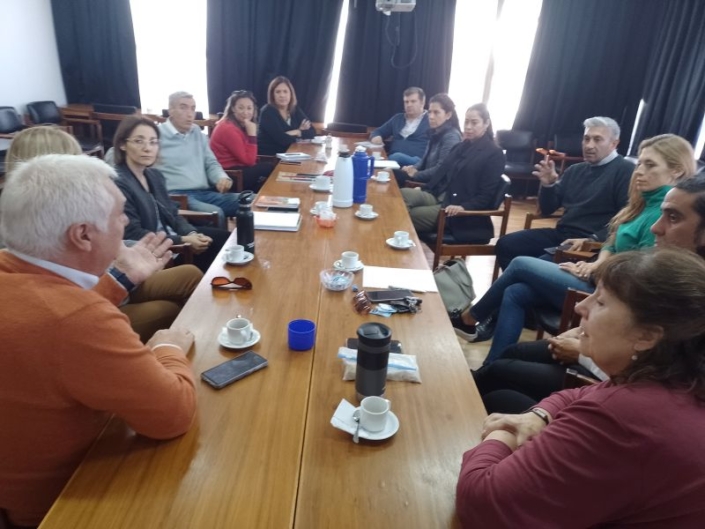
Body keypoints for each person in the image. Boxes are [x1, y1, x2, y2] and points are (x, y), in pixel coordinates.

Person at [0, 155, 197, 527]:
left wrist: (119, 280)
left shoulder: (14, 273)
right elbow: (173, 415)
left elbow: (49, 317)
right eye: (119, 214)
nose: (125, 222)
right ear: (83, 234)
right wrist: (168, 348)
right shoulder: (78, 321)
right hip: (62, 503)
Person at [456, 249, 705, 527]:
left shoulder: (627, 415)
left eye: (601, 302)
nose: (580, 307)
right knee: (500, 396)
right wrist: (539, 415)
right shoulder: (677, 378)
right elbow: (581, 393)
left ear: (647, 335)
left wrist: (502, 431)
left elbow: (480, 503)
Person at [452, 134, 695, 366]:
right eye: (640, 163)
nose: (639, 170)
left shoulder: (663, 213)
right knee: (516, 291)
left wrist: (595, 270)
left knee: (520, 264)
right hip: (597, 274)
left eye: (650, 165)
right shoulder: (642, 201)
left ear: (676, 171)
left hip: (610, 293)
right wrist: (596, 263)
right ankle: (492, 366)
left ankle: (469, 318)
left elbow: (640, 271)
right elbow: (612, 241)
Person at [474, 173, 705, 415]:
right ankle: (473, 377)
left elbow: (650, 383)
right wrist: (584, 330)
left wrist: (583, 353)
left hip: (608, 377)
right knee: (516, 318)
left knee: (500, 386)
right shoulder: (667, 266)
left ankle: (472, 332)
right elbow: (612, 249)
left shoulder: (688, 297)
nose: (656, 227)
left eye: (673, 218)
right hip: (601, 350)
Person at [3, 125, 203, 342]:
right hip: (100, 298)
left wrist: (126, 258)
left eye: (153, 141)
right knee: (167, 309)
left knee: (190, 275)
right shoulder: (42, 227)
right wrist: (121, 275)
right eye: (76, 158)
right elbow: (73, 304)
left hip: (111, 284)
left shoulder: (70, 205)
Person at [495, 116, 634, 270]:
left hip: (591, 243)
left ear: (614, 144)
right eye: (586, 139)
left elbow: (627, 219)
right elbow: (547, 210)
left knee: (534, 265)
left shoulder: (625, 171)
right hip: (562, 235)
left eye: (597, 139)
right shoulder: (575, 170)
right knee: (506, 245)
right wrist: (548, 185)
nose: (589, 145)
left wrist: (593, 239)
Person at [113, 116, 230, 274]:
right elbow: (134, 233)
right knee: (218, 257)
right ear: (122, 144)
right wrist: (183, 240)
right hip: (153, 254)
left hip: (172, 238)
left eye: (153, 142)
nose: (147, 148)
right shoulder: (119, 182)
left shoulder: (154, 175)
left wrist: (191, 233)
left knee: (227, 240)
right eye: (139, 141)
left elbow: (173, 214)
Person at [399, 103, 505, 239]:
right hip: (439, 195)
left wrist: (464, 207)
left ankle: (400, 244)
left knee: (410, 215)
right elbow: (442, 173)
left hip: (456, 208)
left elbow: (486, 196)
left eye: (474, 123)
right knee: (401, 195)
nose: (468, 127)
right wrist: (424, 188)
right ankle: (400, 240)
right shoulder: (460, 146)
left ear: (486, 123)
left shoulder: (494, 153)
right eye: (466, 121)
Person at [156, 91, 238, 228]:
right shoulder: (156, 135)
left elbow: (211, 163)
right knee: (216, 213)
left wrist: (221, 178)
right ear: (171, 110)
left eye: (193, 108)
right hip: (177, 196)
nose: (190, 114)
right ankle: (222, 243)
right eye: (183, 107)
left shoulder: (197, 133)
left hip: (205, 192)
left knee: (251, 201)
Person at [392, 93, 462, 188]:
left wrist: (416, 174)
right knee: (391, 172)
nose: (431, 116)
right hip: (425, 179)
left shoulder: (451, 137)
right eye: (430, 112)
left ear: (448, 115)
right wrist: (413, 168)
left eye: (436, 112)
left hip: (434, 187)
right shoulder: (434, 132)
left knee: (394, 175)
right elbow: (424, 161)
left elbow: (441, 169)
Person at [210, 90, 273, 192]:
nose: (245, 112)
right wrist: (252, 135)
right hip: (229, 176)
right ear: (233, 109)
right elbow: (249, 161)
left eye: (249, 108)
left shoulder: (239, 124)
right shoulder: (228, 128)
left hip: (239, 169)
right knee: (270, 168)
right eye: (241, 108)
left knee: (266, 179)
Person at [370, 87, 430, 166]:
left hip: (416, 164)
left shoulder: (430, 120)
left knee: (396, 157)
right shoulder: (398, 118)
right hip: (393, 162)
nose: (409, 105)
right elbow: (377, 131)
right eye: (406, 102)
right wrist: (376, 136)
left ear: (422, 102)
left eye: (413, 101)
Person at [257, 76, 315, 156]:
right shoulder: (267, 112)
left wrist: (297, 131)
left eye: (285, 91)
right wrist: (300, 132)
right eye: (278, 92)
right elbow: (282, 140)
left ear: (291, 94)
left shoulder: (295, 109)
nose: (282, 95)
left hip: (291, 153)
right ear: (272, 95)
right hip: (270, 157)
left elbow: (312, 132)